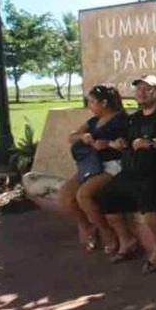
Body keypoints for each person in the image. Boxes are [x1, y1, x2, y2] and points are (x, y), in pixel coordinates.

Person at [94, 75, 156, 273]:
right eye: (138, 89)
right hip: (133, 171)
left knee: (148, 194)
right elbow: (128, 144)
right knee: (105, 196)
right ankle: (126, 241)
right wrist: (119, 144)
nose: (141, 92)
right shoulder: (134, 118)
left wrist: (152, 143)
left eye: (147, 88)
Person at [56, 84, 127, 252]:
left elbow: (124, 145)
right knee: (65, 197)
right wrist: (83, 136)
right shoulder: (94, 121)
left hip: (112, 165)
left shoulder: (121, 120)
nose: (89, 105)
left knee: (83, 195)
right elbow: (71, 137)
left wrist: (108, 144)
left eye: (92, 102)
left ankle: (107, 233)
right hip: (91, 165)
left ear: (103, 103)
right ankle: (88, 228)